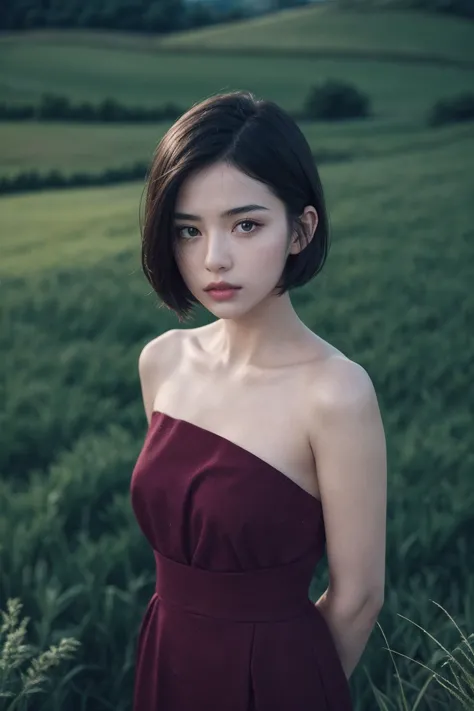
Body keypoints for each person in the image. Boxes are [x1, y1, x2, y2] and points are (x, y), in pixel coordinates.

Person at [130, 90, 387, 711]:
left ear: (301, 228)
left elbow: (357, 597)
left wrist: (289, 687)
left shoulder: (336, 393)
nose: (214, 259)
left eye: (246, 224)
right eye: (189, 231)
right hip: (166, 659)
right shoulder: (163, 361)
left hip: (276, 683)